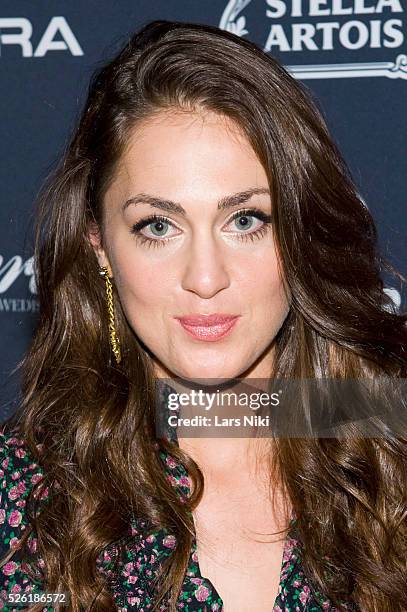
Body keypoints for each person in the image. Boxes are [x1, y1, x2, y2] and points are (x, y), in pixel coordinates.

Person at [0, 18, 406, 612]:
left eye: (245, 220)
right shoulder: (24, 493)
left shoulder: (390, 446)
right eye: (157, 227)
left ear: (300, 232)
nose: (206, 278)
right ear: (100, 246)